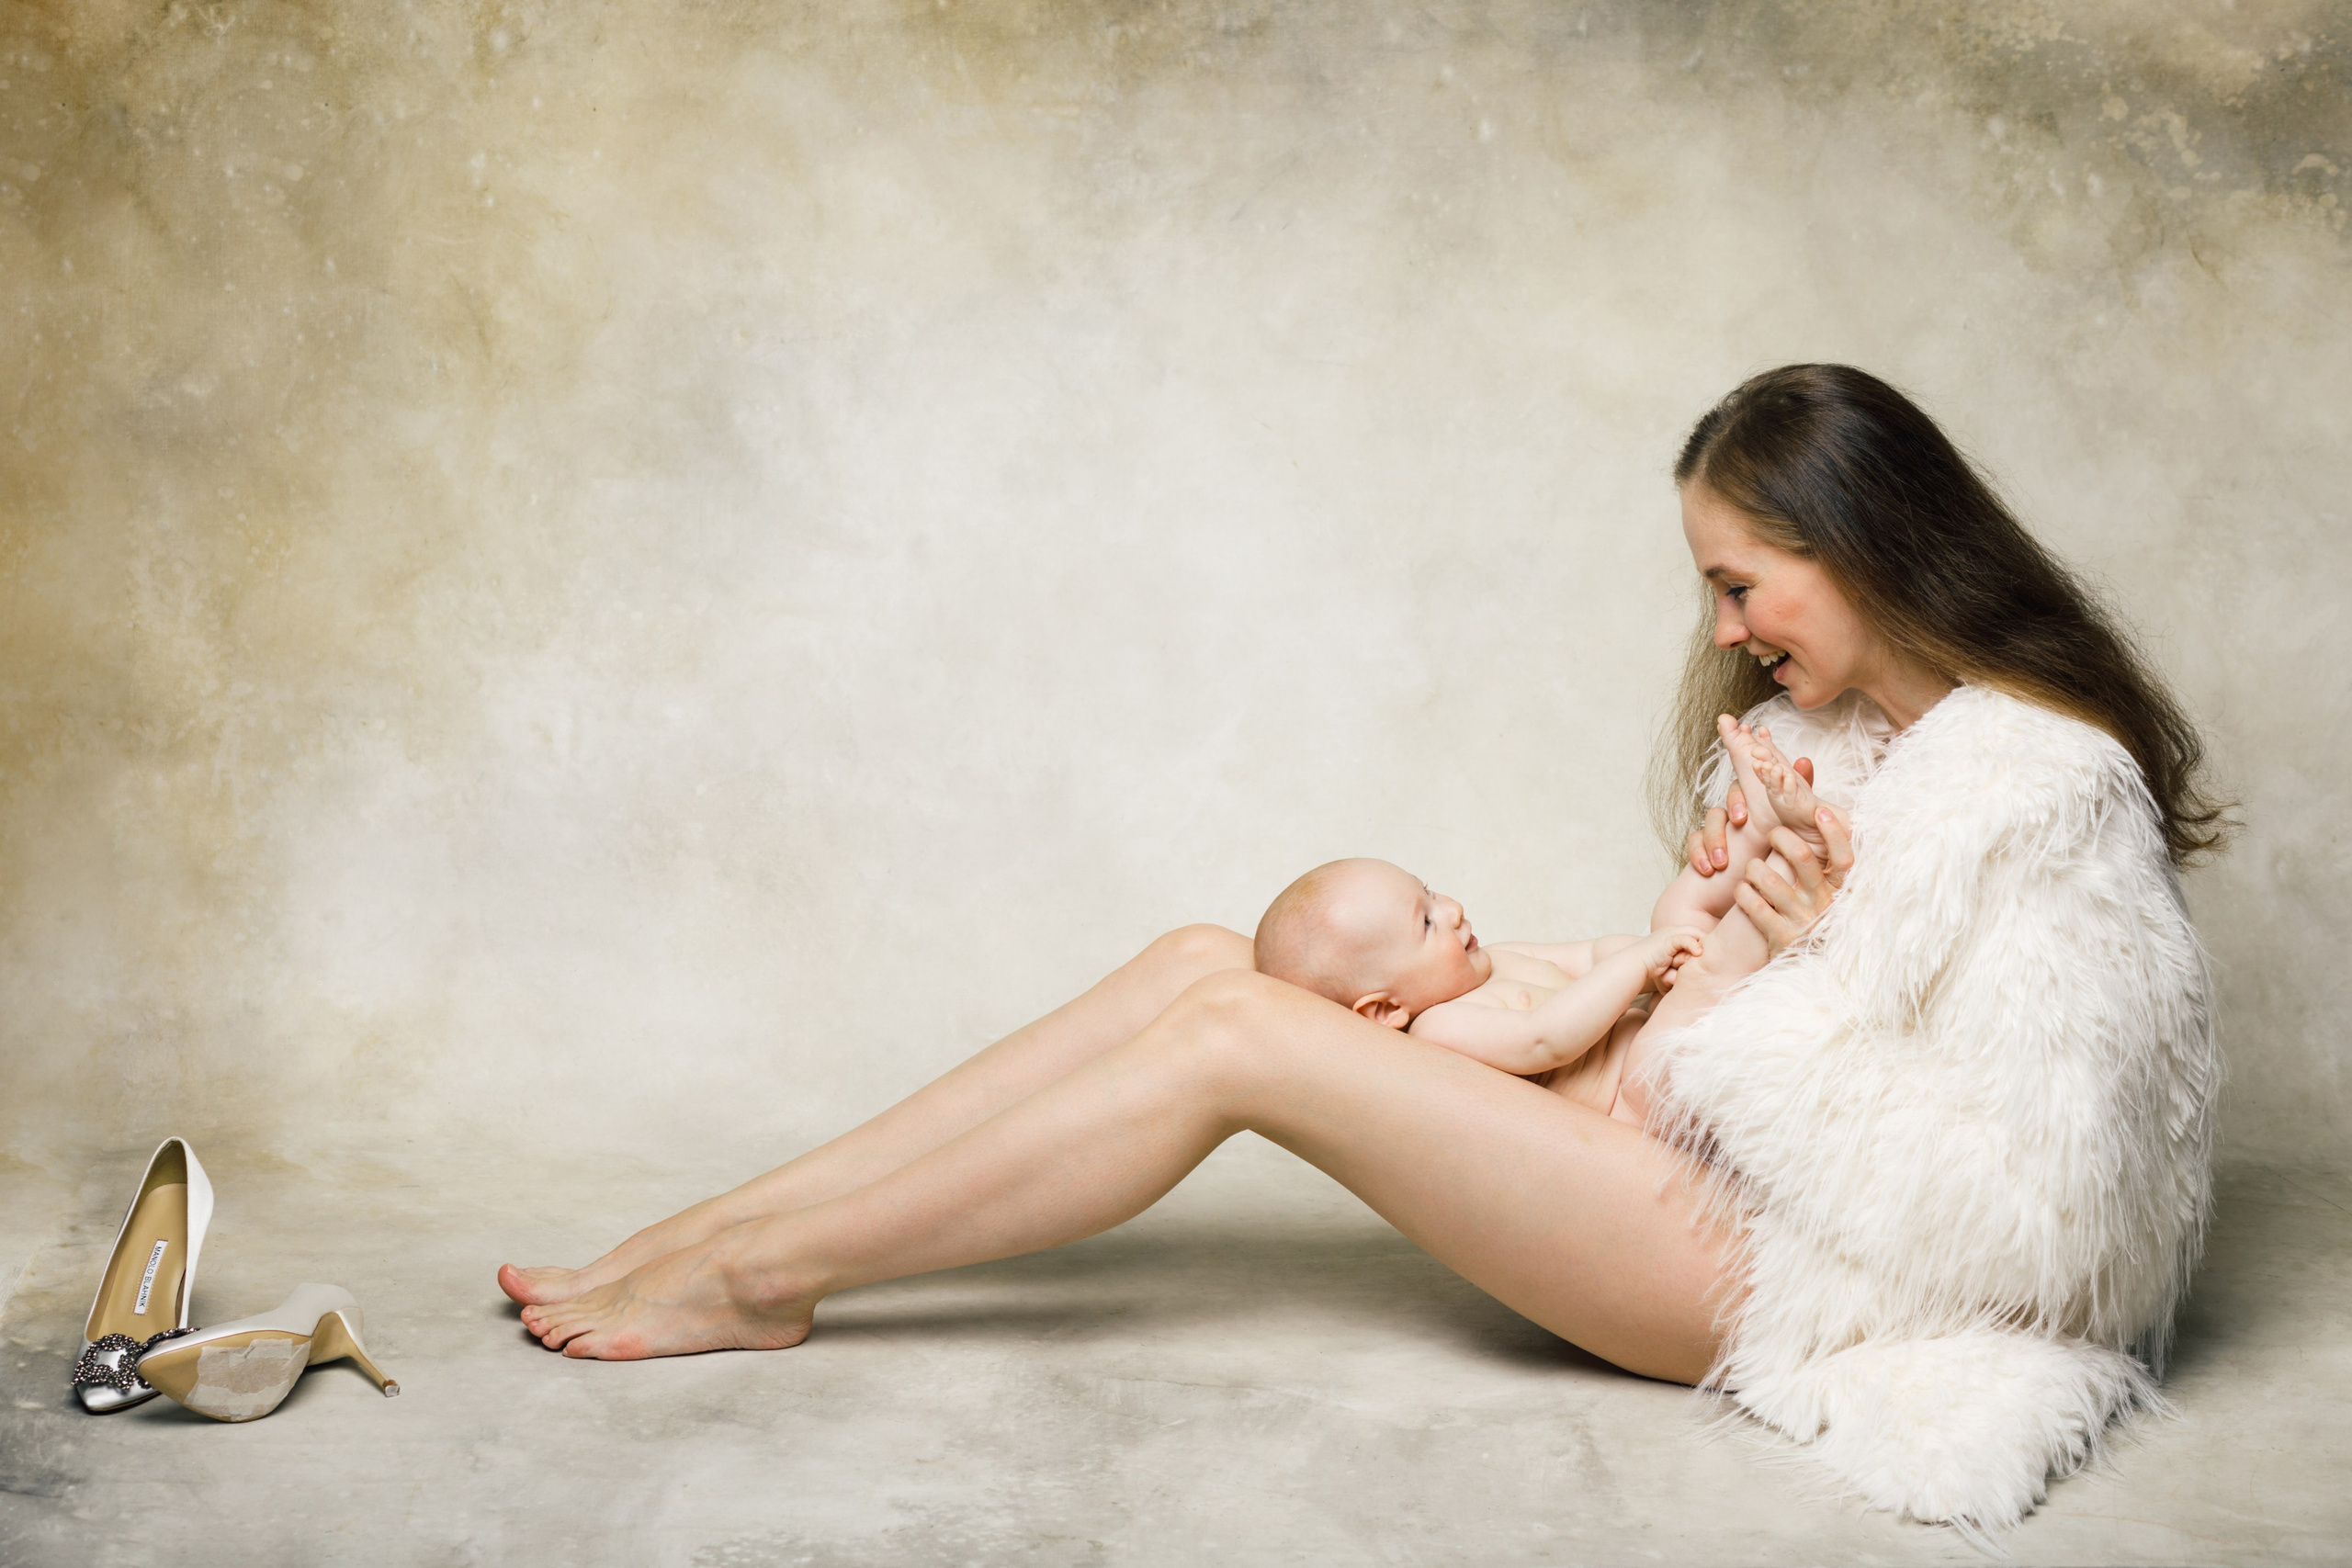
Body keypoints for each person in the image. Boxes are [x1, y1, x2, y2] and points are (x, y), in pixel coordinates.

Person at [499, 367, 2224, 1533]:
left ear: (1861, 552)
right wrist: (1648, 968)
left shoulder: (2042, 787)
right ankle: (744, 1223)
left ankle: (761, 1280)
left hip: (1785, 1274)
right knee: (1203, 957)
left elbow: (2066, 1224)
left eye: (1741, 585)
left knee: (1238, 1043)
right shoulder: (1844, 739)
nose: (1721, 632)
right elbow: (1705, 986)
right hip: (1671, 1158)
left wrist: (1788, 975)